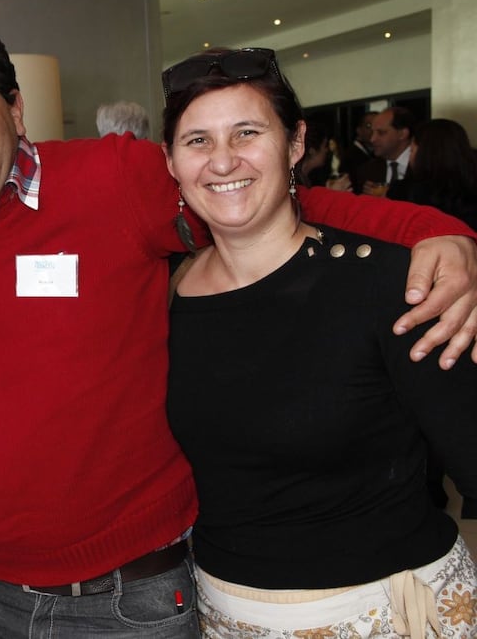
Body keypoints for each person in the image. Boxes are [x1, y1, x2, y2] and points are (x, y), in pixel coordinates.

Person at [0, 13, 477, 637]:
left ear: (16, 109)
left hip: (131, 596)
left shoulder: (113, 178)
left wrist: (435, 231)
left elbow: (256, 197)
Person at [162, 46, 477, 637]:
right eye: (197, 140)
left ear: (295, 143)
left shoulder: (388, 286)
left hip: (390, 611)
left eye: (247, 132)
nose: (222, 161)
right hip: (224, 612)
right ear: (171, 162)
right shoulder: (169, 293)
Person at [405, 118, 477, 232]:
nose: (410, 157)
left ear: (424, 153)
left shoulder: (419, 193)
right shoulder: (470, 182)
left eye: (412, 150)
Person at [359, 106, 417, 198]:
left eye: (381, 133)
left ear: (402, 134)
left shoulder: (423, 167)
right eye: (372, 133)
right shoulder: (368, 170)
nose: (372, 139)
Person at [337, 110, 377, 185]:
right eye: (369, 126)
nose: (373, 130)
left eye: (377, 127)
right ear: (359, 130)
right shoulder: (351, 156)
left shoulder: (375, 153)